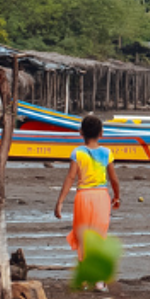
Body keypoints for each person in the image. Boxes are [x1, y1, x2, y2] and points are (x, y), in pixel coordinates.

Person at [54, 115, 120, 287]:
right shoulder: (107, 153)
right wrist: (117, 196)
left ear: (81, 132)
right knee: (99, 235)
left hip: (82, 197)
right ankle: (98, 279)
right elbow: (114, 179)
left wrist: (60, 201)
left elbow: (70, 177)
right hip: (101, 197)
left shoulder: (78, 153)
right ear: (101, 133)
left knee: (83, 235)